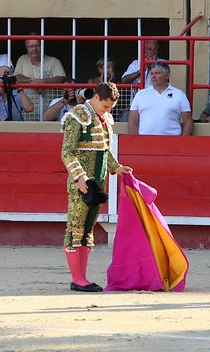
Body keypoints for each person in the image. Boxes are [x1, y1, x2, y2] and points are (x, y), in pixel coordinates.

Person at [60, 81, 133, 292]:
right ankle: (77, 278)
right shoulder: (78, 115)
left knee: (87, 230)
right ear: (97, 98)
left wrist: (116, 167)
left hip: (98, 182)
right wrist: (80, 178)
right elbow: (67, 152)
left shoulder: (105, 118)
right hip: (81, 183)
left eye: (111, 108)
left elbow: (104, 150)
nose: (108, 111)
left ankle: (82, 277)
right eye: (106, 106)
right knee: (75, 228)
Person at [128, 62, 194, 136]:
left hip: (172, 142)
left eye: (157, 73)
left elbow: (188, 122)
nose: (153, 76)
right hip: (144, 142)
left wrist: (182, 142)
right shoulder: (140, 94)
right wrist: (135, 141)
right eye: (152, 73)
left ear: (167, 76)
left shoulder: (179, 94)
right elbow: (132, 121)